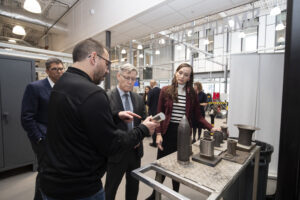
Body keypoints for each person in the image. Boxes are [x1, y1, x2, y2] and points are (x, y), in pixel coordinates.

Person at [39, 39, 159, 200]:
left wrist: (114, 116)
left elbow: (79, 119)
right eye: (107, 63)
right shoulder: (93, 93)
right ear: (94, 58)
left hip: (55, 180)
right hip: (79, 187)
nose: (107, 70)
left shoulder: (62, 84)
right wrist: (143, 129)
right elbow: (111, 144)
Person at [146, 63, 220, 200]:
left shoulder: (191, 93)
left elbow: (198, 116)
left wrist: (211, 127)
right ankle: (155, 194)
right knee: (161, 165)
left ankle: (176, 193)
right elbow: (159, 115)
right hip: (167, 132)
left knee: (180, 165)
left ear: (189, 78)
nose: (182, 76)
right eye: (180, 72)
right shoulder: (165, 90)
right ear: (176, 73)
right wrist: (158, 134)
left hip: (184, 135)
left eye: (186, 75)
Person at [21, 57, 64, 200]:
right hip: (43, 139)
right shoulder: (35, 87)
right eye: (55, 69)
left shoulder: (64, 88)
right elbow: (27, 117)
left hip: (61, 139)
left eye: (61, 69)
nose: (59, 72)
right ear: (47, 71)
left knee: (58, 172)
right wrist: (38, 138)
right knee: (45, 172)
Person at [105, 63, 146, 200]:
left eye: (133, 79)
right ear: (118, 76)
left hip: (135, 152)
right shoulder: (107, 97)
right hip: (117, 153)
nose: (130, 82)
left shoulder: (139, 99)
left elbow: (142, 122)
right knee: (110, 189)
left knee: (133, 188)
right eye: (127, 77)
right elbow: (104, 125)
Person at [147, 80, 161, 147]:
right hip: (160, 112)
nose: (150, 85)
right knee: (158, 126)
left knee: (153, 126)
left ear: (152, 84)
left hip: (152, 112)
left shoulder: (151, 91)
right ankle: (159, 140)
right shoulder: (161, 90)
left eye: (150, 83)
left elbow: (148, 103)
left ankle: (154, 143)